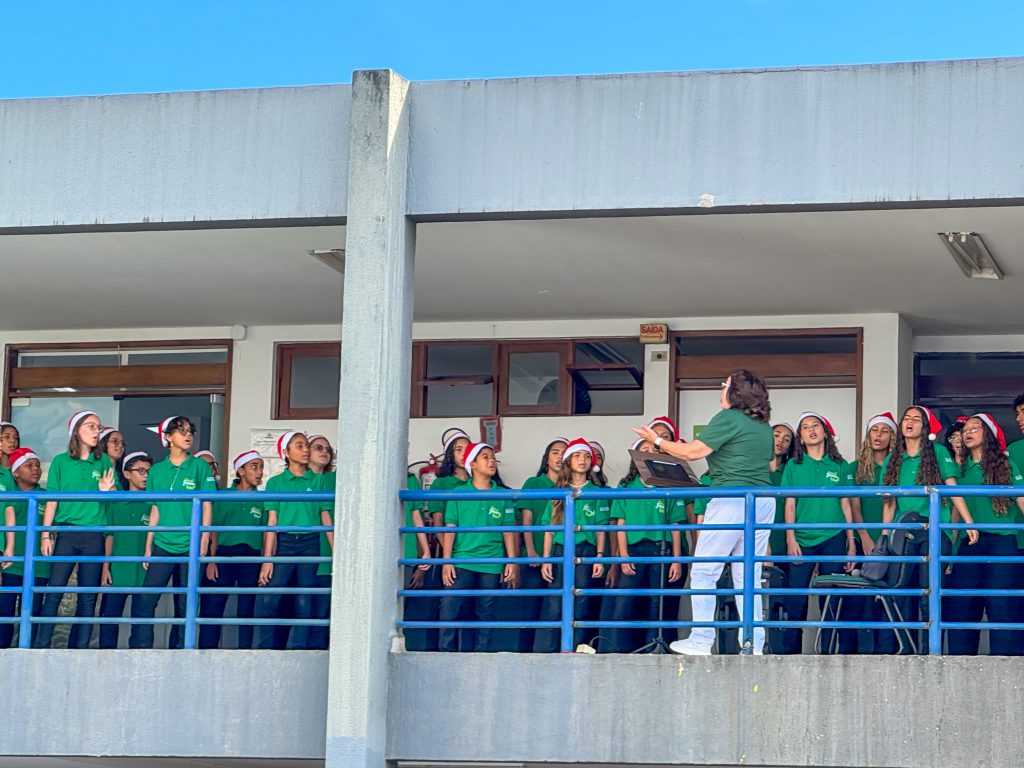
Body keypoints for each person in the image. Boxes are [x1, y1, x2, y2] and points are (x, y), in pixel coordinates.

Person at [633, 369, 775, 656]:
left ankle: (700, 639)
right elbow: (770, 464)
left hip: (731, 497)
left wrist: (657, 441)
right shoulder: (763, 426)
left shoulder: (728, 417)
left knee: (703, 571)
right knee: (748, 575)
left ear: (734, 392)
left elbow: (692, 453)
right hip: (763, 500)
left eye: (724, 385)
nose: (720, 389)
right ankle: (753, 644)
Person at [880, 405, 978, 652]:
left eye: (916, 419)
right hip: (903, 534)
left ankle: (928, 653)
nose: (910, 422)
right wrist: (883, 535)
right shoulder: (894, 458)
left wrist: (969, 522)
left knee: (928, 595)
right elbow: (889, 502)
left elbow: (952, 487)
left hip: (934, 532)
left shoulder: (937, 452)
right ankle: (907, 651)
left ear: (925, 427)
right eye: (907, 418)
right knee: (901, 594)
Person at [129, 416, 216, 649]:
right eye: (181, 431)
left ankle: (179, 651)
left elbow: (207, 504)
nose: (188, 435)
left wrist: (204, 539)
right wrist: (149, 544)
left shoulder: (199, 466)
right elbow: (155, 508)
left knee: (185, 603)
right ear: (168, 437)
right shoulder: (156, 470)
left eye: (190, 431)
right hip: (163, 544)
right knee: (146, 600)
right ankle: (141, 649)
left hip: (190, 543)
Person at [34, 410, 117, 648]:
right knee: (55, 591)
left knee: (88, 596)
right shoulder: (61, 461)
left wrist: (106, 492)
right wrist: (45, 534)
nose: (96, 431)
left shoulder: (102, 461)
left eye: (98, 427)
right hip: (67, 532)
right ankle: (41, 646)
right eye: (91, 426)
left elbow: (112, 497)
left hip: (93, 535)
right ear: (76, 431)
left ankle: (79, 648)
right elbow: (52, 500)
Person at [944, 414, 1024, 655]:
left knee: (1002, 605)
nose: (967, 433)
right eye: (964, 430)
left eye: (974, 428)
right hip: (969, 543)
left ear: (987, 433)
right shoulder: (958, 468)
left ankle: (1004, 664)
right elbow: (957, 513)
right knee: (962, 605)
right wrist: (950, 550)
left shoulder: (1006, 465)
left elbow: (1021, 500)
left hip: (1002, 541)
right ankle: (960, 664)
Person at [778, 412, 856, 654]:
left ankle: (829, 653)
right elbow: (789, 503)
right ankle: (790, 655)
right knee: (795, 599)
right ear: (800, 438)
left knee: (831, 598)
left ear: (825, 432)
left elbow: (846, 503)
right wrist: (790, 537)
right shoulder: (793, 465)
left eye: (815, 426)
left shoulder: (839, 465)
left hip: (833, 537)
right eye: (805, 428)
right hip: (801, 538)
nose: (811, 430)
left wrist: (851, 542)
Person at [604, 437, 687, 653]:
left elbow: (675, 524)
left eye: (653, 449)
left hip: (661, 549)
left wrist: (677, 559)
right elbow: (620, 524)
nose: (648, 452)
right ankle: (621, 649)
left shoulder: (668, 484)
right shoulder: (626, 486)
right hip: (633, 550)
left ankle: (657, 650)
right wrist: (623, 555)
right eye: (644, 449)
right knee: (626, 602)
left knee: (656, 603)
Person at [437, 442, 517, 653]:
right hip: (462, 560)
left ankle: (482, 655)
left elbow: (508, 531)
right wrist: (447, 562)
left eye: (493, 458)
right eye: (485, 457)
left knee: (485, 611)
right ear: (472, 464)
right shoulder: (458, 493)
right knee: (450, 608)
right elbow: (450, 529)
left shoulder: (502, 495)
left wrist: (511, 561)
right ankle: (445, 655)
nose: (491, 461)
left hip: (492, 562)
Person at [254, 432, 331, 650]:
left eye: (307, 445)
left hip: (310, 543)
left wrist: (336, 553)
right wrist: (267, 560)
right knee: (272, 597)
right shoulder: (275, 483)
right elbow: (272, 523)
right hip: (285, 543)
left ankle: (299, 649)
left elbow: (326, 517)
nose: (306, 450)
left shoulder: (318, 481)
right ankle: (265, 648)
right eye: (299, 446)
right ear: (286, 453)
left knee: (305, 600)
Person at [535, 439, 609, 652]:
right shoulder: (558, 491)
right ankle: (548, 650)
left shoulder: (597, 492)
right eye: (577, 456)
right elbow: (548, 529)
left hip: (586, 551)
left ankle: (578, 648)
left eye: (586, 456)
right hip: (560, 552)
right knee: (554, 603)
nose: (582, 460)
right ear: (568, 460)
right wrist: (546, 559)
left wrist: (600, 556)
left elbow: (601, 528)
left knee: (583, 602)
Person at [200, 450, 266, 649]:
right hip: (223, 555)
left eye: (261, 467)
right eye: (254, 467)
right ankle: (207, 651)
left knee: (247, 608)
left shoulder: (263, 498)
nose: (259, 472)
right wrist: (211, 561)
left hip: (251, 557)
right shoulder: (224, 496)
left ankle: (245, 651)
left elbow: (266, 533)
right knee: (213, 606)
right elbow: (213, 531)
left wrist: (264, 562)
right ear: (241, 471)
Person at [849, 412, 897, 653]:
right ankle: (853, 653)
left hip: (892, 541)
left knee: (887, 598)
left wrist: (883, 539)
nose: (878, 435)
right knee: (857, 599)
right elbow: (854, 505)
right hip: (862, 540)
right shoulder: (855, 467)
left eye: (884, 430)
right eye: (874, 430)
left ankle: (887, 651)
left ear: (892, 436)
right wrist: (866, 537)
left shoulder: (897, 466)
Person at [517, 436, 567, 651]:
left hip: (560, 556)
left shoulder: (569, 486)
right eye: (555, 452)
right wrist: (531, 551)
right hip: (535, 555)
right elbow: (526, 520)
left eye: (564, 453)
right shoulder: (533, 483)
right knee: (530, 609)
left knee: (557, 608)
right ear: (547, 458)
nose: (560, 457)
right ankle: (524, 653)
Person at [98, 451, 152, 648]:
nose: (145, 475)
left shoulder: (153, 503)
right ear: (127, 474)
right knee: (109, 619)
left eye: (148, 471)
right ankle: (104, 659)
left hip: (144, 571)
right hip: (118, 570)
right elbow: (109, 537)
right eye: (140, 471)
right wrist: (106, 568)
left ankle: (141, 658)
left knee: (143, 622)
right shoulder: (117, 502)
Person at [0, 448, 48, 647]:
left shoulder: (46, 496)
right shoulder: (8, 496)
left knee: (33, 613)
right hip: (12, 563)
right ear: (16, 472)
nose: (35, 469)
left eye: (37, 465)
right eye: (29, 465)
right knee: (5, 612)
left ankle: (29, 653)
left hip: (39, 565)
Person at [306, 434, 334, 649]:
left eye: (327, 448)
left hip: (330, 551)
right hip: (306, 550)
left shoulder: (335, 479)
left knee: (325, 611)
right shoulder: (299, 481)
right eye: (318, 448)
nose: (324, 451)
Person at [766, 422, 795, 569]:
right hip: (761, 540)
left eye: (786, 439)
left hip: (788, 540)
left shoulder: (792, 470)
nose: (780, 441)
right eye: (776, 436)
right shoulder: (755, 470)